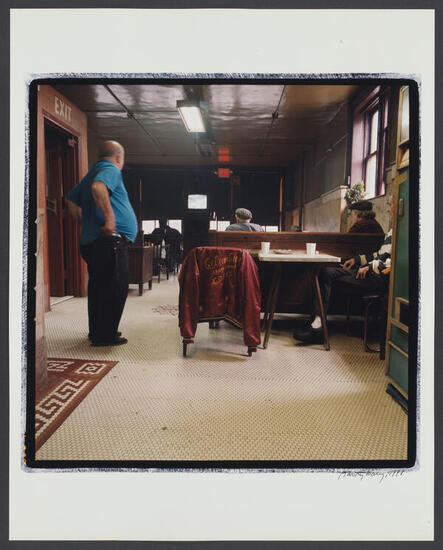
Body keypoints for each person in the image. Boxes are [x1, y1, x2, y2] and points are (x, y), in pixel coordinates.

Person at [293, 195, 394, 345]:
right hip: (371, 271)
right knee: (326, 272)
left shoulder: (373, 227)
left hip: (376, 277)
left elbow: (392, 261)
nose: (388, 209)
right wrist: (357, 260)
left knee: (326, 274)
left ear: (357, 213)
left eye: (390, 205)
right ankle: (318, 323)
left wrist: (369, 266)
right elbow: (380, 255)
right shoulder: (389, 229)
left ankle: (318, 327)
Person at [66, 140, 138, 346]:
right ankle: (105, 336)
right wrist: (110, 219)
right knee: (115, 288)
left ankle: (98, 332)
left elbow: (70, 199)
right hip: (109, 242)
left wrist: (83, 222)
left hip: (93, 242)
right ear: (118, 158)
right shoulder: (111, 169)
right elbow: (99, 188)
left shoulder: (92, 172)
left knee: (99, 288)